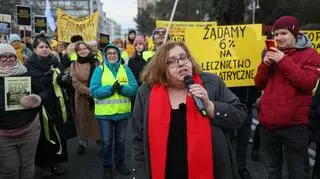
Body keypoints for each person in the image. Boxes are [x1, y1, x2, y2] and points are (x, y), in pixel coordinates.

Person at [132, 41, 246, 179]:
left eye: (184, 57)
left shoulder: (212, 83)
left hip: (210, 170)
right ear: (161, 68)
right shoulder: (146, 92)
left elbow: (239, 115)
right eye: (172, 61)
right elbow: (138, 138)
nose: (181, 63)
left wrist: (210, 106)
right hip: (165, 171)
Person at [254, 16, 320, 179]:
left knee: (298, 172)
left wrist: (283, 60)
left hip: (294, 127)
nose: (278, 38)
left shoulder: (311, 54)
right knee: (272, 171)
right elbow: (259, 83)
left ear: (295, 34)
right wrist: (265, 65)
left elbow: (307, 83)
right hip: (268, 125)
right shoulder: (272, 53)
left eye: (283, 33)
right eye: (276, 34)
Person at [25, 36, 73, 177]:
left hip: (58, 105)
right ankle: (44, 165)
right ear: (34, 50)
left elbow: (64, 81)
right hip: (41, 107)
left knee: (60, 134)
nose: (45, 49)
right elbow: (32, 88)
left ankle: (57, 162)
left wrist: (66, 80)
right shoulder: (29, 67)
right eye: (41, 47)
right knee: (43, 137)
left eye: (46, 47)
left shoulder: (55, 62)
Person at [90, 44, 138, 178]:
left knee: (121, 141)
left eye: (114, 53)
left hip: (122, 113)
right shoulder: (99, 70)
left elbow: (134, 88)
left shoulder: (125, 69)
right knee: (106, 142)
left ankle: (120, 164)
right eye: (109, 53)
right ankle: (107, 166)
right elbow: (94, 91)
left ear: (118, 55)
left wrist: (122, 89)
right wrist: (111, 90)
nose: (112, 55)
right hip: (105, 114)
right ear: (105, 56)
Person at [0, 43, 41, 179]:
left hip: (29, 130)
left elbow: (45, 93)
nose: (7, 59)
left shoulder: (25, 73)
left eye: (10, 56)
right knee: (9, 170)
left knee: (28, 166)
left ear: (15, 57)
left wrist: (36, 99)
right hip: (3, 136)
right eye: (2, 57)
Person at [70, 42, 100, 155]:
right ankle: (82, 143)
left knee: (97, 121)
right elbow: (75, 83)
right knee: (82, 120)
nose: (82, 51)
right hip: (81, 97)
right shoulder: (73, 65)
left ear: (88, 49)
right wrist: (89, 92)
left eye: (84, 48)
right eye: (79, 50)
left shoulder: (96, 62)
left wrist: (95, 91)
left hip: (96, 96)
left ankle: (100, 142)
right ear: (77, 52)